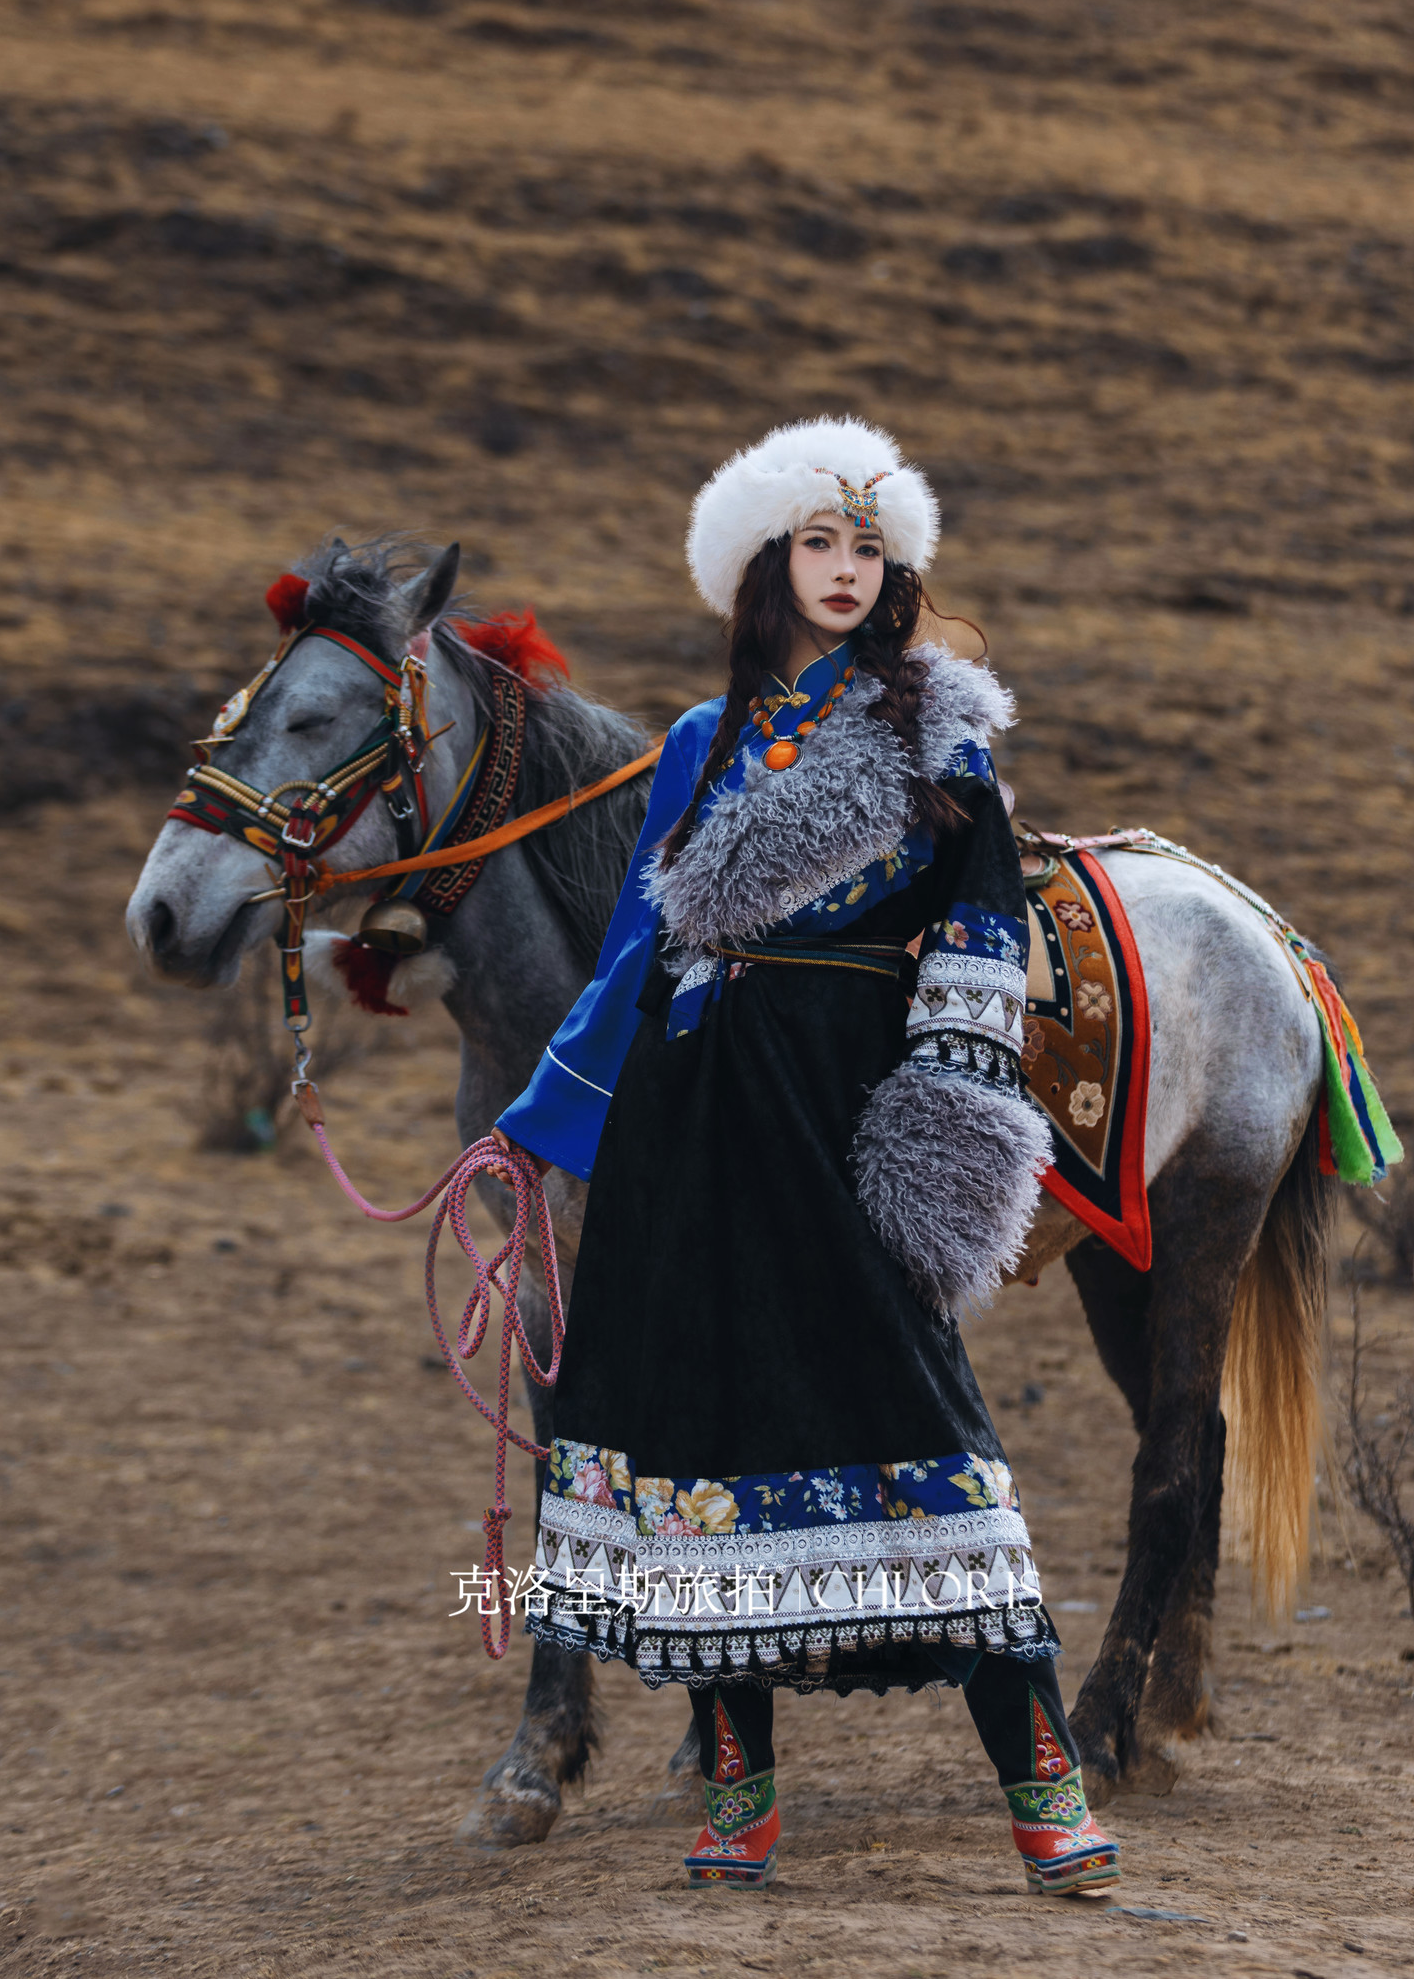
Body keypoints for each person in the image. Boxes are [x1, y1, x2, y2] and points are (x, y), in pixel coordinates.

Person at [493, 417, 1118, 1897]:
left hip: (846, 1116)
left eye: (867, 548)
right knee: (701, 1440)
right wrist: (540, 1125)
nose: (844, 569)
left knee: (925, 1429)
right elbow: (641, 959)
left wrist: (942, 1133)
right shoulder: (703, 747)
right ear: (765, 569)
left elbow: (981, 933)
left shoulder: (938, 730)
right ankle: (737, 1792)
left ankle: (1043, 1786)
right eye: (816, 545)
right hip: (689, 1126)